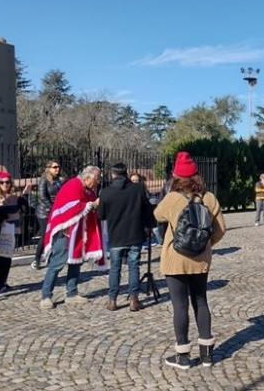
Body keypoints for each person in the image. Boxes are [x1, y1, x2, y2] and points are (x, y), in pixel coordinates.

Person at [154, 151, 226, 369]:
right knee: (201, 301)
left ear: (176, 177)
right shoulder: (210, 198)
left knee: (180, 305)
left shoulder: (172, 198)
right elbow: (221, 230)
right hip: (200, 260)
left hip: (175, 257)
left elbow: (157, 215)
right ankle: (206, 355)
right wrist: (204, 246)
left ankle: (183, 356)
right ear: (197, 176)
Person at [39, 166, 104, 309]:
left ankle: (72, 293)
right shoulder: (73, 185)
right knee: (57, 263)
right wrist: (93, 204)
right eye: (97, 178)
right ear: (88, 177)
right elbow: (71, 207)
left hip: (79, 233)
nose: (98, 182)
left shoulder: (88, 190)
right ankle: (46, 295)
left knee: (76, 262)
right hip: (65, 232)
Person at [97, 163, 156, 312]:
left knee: (115, 268)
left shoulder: (106, 192)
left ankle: (112, 300)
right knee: (133, 266)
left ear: (113, 174)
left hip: (116, 234)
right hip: (134, 233)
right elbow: (146, 208)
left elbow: (101, 215)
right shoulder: (137, 189)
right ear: (126, 173)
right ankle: (134, 299)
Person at [0, 171, 31, 294]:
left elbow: (24, 210)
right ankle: (0, 282)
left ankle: (3, 282)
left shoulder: (16, 196)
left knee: (6, 257)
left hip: (12, 230)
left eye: (7, 182)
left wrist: (25, 196)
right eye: (2, 182)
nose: (5, 184)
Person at [32, 160, 62, 270]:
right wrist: (51, 207)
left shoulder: (58, 180)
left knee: (55, 235)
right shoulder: (44, 179)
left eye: (58, 167)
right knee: (45, 234)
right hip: (44, 212)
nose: (57, 169)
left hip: (56, 211)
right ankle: (37, 259)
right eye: (55, 167)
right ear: (49, 168)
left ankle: (50, 258)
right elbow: (42, 195)